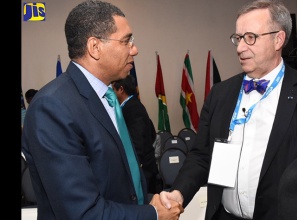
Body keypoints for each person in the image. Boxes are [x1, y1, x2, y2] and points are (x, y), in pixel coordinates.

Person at [21, 1, 183, 219]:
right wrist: (153, 214)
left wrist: (147, 199)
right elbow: (81, 212)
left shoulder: (107, 97)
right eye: (127, 41)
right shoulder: (52, 107)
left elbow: (113, 179)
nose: (135, 49)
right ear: (95, 47)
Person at [156, 0, 297, 220]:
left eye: (250, 37)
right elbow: (201, 155)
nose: (241, 47)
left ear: (278, 39)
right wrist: (179, 192)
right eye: (238, 38)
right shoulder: (221, 93)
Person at [112, 74, 162, 194]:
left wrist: (132, 168)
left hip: (143, 170)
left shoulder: (133, 108)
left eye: (113, 89)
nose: (111, 92)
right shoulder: (130, 106)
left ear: (121, 89)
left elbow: (137, 141)